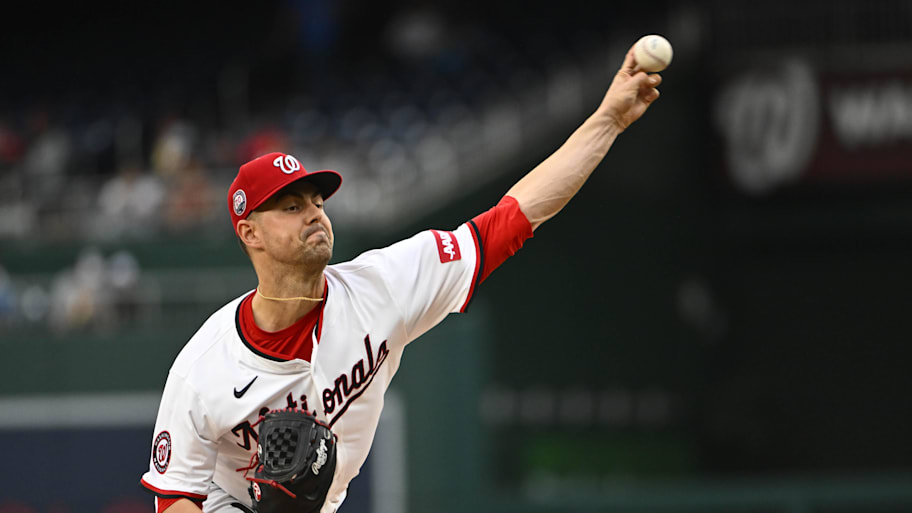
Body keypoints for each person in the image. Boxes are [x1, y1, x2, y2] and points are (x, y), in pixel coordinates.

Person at [140, 43, 663, 513]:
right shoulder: (204, 367)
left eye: (318, 202)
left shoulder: (382, 286)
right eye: (292, 206)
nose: (315, 214)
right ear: (249, 232)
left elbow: (512, 219)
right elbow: (176, 497)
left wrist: (608, 120)